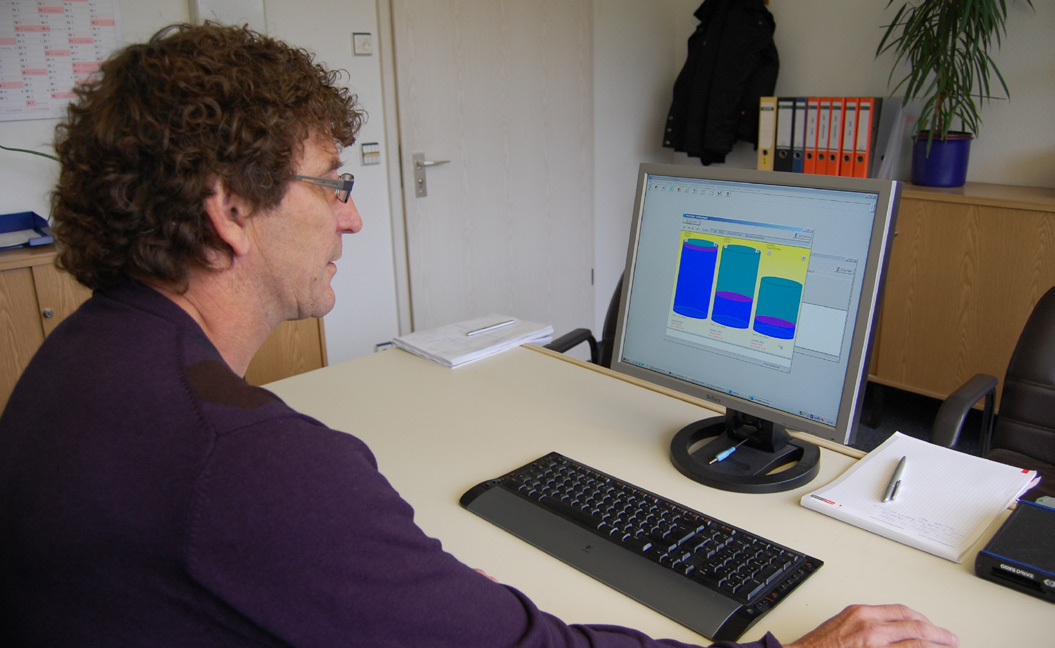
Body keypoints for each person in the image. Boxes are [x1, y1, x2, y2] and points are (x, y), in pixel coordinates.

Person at [0, 22, 958, 648]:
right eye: (331, 184)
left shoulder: (77, 357)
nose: (351, 217)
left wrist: (416, 590)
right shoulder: (253, 468)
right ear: (229, 211)